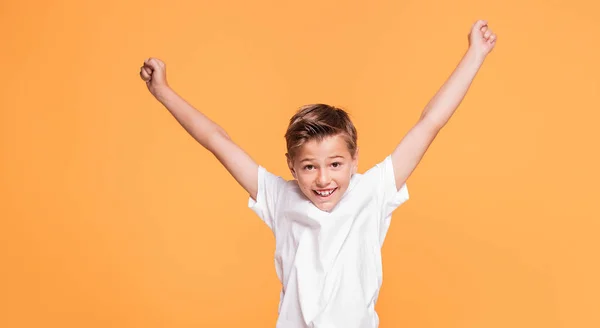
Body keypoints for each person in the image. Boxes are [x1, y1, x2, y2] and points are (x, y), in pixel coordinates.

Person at [139, 19, 497, 328]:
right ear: (291, 165)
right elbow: (217, 140)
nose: (323, 179)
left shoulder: (372, 191)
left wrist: (475, 54)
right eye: (309, 167)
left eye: (335, 164)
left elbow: (429, 122)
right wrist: (163, 91)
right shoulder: (280, 197)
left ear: (355, 160)